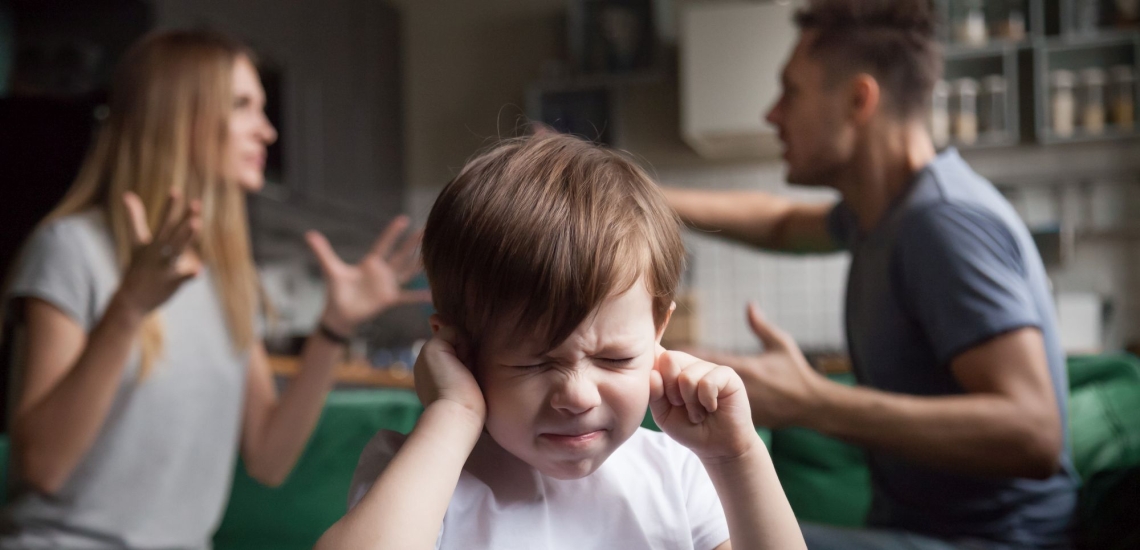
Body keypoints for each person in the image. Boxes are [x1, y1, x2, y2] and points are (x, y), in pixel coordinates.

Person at [663, 1, 1078, 548]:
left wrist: (810, 401)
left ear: (859, 99)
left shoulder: (942, 222)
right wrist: (630, 191)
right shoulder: (882, 213)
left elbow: (1035, 434)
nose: (772, 115)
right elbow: (781, 221)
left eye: (791, 91)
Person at [0, 30, 427, 549]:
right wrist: (129, 307)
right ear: (179, 117)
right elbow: (42, 465)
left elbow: (269, 458)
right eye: (243, 106)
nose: (267, 132)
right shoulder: (72, 248)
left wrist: (334, 327)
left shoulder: (227, 274)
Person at [315, 133, 806, 550]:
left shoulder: (677, 474)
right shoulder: (421, 476)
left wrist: (736, 458)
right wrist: (454, 415)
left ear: (658, 332)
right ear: (459, 353)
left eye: (614, 358)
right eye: (533, 364)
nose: (577, 395)